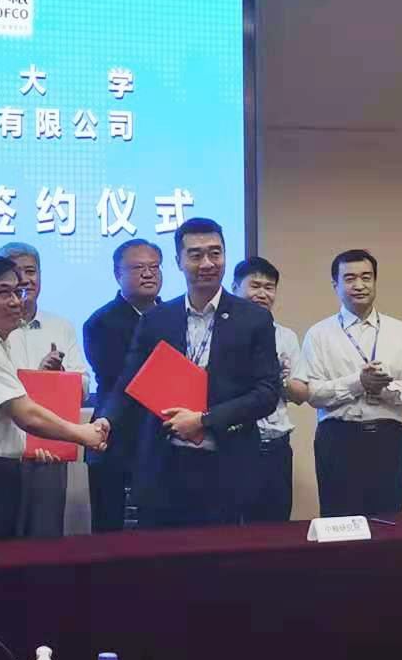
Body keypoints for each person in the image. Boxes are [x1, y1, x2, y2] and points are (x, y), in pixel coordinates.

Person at [102, 218, 279, 529]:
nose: (207, 263)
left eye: (215, 253)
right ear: (178, 261)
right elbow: (129, 381)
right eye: (196, 255)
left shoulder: (253, 319)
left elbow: (267, 393)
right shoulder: (157, 319)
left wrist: (203, 420)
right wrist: (106, 420)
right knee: (162, 556)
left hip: (227, 467)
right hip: (163, 467)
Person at [0, 255, 109, 543]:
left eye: (18, 291)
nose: (16, 301)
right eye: (4, 293)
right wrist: (83, 434)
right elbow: (25, 414)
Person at [301, 249, 402, 518]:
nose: (359, 285)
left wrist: (383, 389)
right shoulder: (318, 334)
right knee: (339, 523)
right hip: (337, 438)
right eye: (349, 279)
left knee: (387, 521)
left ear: (375, 281)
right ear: (335, 285)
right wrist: (358, 383)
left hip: (388, 439)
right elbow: (313, 393)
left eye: (366, 277)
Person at [0, 242, 91, 540]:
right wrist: (38, 378)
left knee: (45, 538)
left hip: (51, 445)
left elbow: (84, 386)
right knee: (2, 538)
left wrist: (59, 378)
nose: (25, 280)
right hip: (2, 449)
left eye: (31, 271)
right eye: (16, 273)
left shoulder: (60, 326)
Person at [83, 239, 164, 532]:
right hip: (116, 435)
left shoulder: (174, 316)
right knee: (110, 529)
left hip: (163, 437)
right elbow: (121, 378)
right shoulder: (101, 322)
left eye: (154, 266)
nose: (148, 273)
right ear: (118, 274)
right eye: (138, 267)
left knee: (162, 529)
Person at [231, 257, 310, 523]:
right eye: (254, 286)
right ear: (234, 287)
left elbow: (301, 394)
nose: (263, 294)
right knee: (231, 529)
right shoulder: (221, 334)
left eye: (269, 287)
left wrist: (278, 379)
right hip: (235, 446)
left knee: (276, 529)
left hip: (276, 447)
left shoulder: (285, 336)